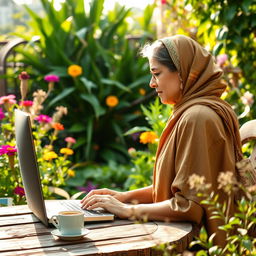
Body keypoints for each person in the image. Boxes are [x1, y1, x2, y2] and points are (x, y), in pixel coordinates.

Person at [81, 35, 243, 247]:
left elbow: (189, 206)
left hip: (200, 246)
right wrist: (122, 197)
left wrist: (127, 210)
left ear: (184, 72)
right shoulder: (197, 110)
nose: (151, 83)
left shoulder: (197, 118)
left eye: (157, 74)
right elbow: (177, 189)